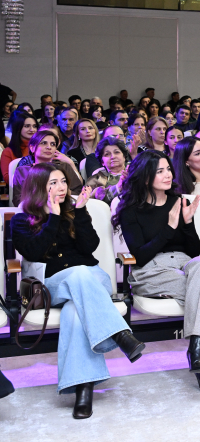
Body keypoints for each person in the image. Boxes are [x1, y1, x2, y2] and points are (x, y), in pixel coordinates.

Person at [12, 164, 145, 418]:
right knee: (78, 275)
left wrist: (81, 211)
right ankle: (119, 334)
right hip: (54, 285)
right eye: (53, 183)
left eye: (63, 181)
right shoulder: (21, 220)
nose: (61, 187)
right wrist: (52, 217)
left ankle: (83, 390)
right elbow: (34, 252)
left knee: (75, 310)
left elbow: (89, 248)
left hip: (93, 280)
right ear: (38, 187)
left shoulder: (75, 212)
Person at [115, 151, 200, 397]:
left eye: (168, 169)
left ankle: (197, 348)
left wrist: (186, 223)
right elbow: (140, 255)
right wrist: (171, 227)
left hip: (186, 265)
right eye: (160, 170)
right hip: (152, 270)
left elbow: (193, 251)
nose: (167, 175)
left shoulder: (179, 201)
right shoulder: (130, 209)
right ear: (145, 175)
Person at [12, 128, 84, 206]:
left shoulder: (64, 167)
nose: (49, 147)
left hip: (63, 209)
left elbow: (77, 192)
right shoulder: (22, 171)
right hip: (34, 211)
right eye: (44, 143)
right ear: (32, 148)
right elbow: (18, 199)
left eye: (53, 144)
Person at [85, 137, 130, 204]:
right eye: (107, 154)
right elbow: (91, 200)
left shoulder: (134, 169)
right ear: (102, 162)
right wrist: (119, 186)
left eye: (117, 152)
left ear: (124, 157)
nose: (113, 157)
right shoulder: (99, 176)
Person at [1, 111, 38, 182]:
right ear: (18, 128)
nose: (32, 130)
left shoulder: (41, 148)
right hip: (20, 189)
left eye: (34, 126)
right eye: (27, 126)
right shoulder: (8, 151)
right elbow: (7, 178)